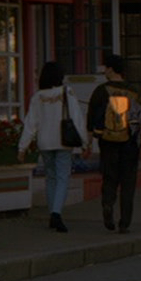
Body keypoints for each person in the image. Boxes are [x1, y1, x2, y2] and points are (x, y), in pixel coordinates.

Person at [17, 61, 88, 233]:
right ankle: (56, 213)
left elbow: (30, 123)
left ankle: (52, 212)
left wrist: (22, 147)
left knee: (50, 177)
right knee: (63, 177)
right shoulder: (67, 92)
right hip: (63, 141)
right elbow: (77, 118)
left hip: (44, 142)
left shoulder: (38, 97)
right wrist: (85, 142)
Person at [86, 54, 141, 234]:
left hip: (107, 141)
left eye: (106, 68)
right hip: (130, 142)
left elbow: (90, 119)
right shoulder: (134, 92)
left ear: (111, 69)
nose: (104, 71)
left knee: (109, 177)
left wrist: (88, 143)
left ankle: (108, 204)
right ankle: (124, 222)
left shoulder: (101, 91)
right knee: (128, 182)